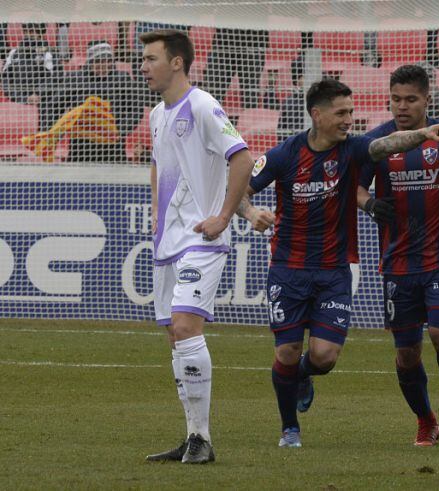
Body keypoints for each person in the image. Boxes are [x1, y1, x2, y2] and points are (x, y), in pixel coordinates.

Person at [238, 78, 439, 448]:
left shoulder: (352, 150)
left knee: (323, 357)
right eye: (341, 113)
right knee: (286, 351)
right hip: (287, 269)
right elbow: (241, 189)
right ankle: (290, 428)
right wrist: (250, 211)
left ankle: (303, 375)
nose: (349, 119)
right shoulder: (283, 155)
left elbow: (387, 144)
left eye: (352, 112)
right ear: (316, 115)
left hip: (335, 271)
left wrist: (422, 134)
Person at [357, 65, 439, 447]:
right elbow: (354, 187)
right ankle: (425, 419)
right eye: (396, 99)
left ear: (427, 100)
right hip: (398, 262)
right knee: (406, 356)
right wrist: (368, 204)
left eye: (411, 100)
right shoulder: (378, 142)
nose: (402, 107)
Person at [139, 29, 254, 464]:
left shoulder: (204, 105)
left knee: (187, 328)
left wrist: (223, 217)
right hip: (168, 241)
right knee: (175, 335)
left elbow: (241, 157)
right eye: (143, 59)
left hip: (202, 240)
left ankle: (203, 440)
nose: (143, 66)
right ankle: (192, 436)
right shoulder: (156, 115)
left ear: (177, 62)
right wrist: (156, 215)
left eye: (151, 59)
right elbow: (157, 164)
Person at [54, 41, 144, 163]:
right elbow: (55, 107)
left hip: (113, 146)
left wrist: (119, 130)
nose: (104, 65)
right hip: (81, 147)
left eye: (108, 61)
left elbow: (136, 110)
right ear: (90, 61)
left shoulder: (123, 78)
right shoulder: (74, 79)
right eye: (99, 61)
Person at [2, 23, 61, 130]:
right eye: (26, 31)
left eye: (32, 31)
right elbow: (5, 80)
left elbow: (55, 78)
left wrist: (38, 94)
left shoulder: (50, 53)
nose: (29, 35)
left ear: (40, 33)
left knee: (49, 107)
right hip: (18, 98)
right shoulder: (13, 53)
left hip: (44, 99)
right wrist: (23, 98)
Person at [202, 28, 267, 111]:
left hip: (254, 41)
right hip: (223, 41)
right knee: (213, 94)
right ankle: (210, 122)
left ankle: (249, 123)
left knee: (250, 95)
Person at [276, 56, 306, 141]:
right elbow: (282, 134)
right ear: (297, 80)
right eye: (303, 76)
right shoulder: (289, 104)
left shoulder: (324, 101)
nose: (308, 79)